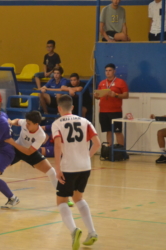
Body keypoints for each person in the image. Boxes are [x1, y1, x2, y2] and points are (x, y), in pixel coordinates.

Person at [52, 94, 101, 250]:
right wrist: (86, 157)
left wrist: (57, 168)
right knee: (78, 198)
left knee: (61, 202)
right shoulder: (85, 121)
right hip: (85, 166)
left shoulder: (57, 123)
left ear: (59, 108)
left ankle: (74, 230)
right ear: (72, 107)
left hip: (69, 167)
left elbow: (58, 146)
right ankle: (92, 232)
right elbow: (97, 144)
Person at [94, 63, 129, 146]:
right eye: (106, 71)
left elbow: (126, 95)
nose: (108, 72)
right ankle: (110, 150)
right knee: (108, 131)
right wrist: (96, 96)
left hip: (115, 111)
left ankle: (121, 151)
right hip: (103, 111)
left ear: (114, 71)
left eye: (110, 70)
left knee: (117, 131)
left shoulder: (120, 82)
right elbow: (98, 96)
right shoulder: (102, 83)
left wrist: (116, 95)